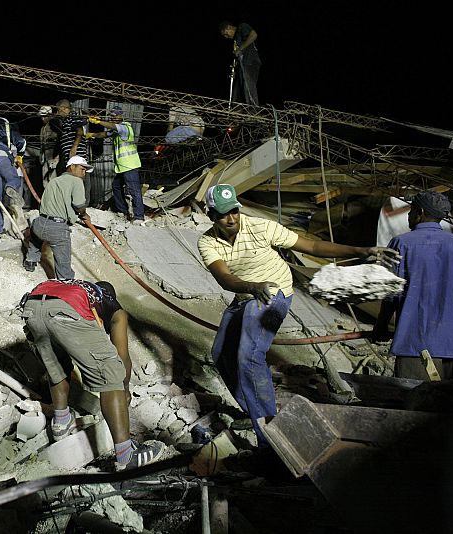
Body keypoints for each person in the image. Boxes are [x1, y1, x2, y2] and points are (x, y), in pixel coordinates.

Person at [198, 184, 399, 446]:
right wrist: (251, 286)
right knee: (221, 354)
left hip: (275, 293)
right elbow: (224, 277)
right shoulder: (207, 241)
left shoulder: (261, 227)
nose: (232, 218)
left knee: (249, 356)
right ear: (211, 214)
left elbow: (312, 245)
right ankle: (254, 410)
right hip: (246, 294)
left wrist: (360, 252)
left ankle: (271, 435)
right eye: (224, 214)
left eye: (234, 211)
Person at [20, 278, 164, 470]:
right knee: (112, 372)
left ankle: (61, 424)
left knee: (56, 367)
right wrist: (124, 388)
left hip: (32, 306)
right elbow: (121, 357)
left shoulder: (78, 287)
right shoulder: (114, 308)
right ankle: (126, 457)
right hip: (65, 310)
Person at [373, 191, 453, 382]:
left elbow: (390, 293)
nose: (409, 216)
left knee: (417, 405)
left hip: (417, 348)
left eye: (411, 211)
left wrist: (381, 326)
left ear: (421, 212)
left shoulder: (401, 243)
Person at [23, 156, 92, 278]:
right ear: (72, 167)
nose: (84, 172)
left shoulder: (54, 181)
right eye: (82, 169)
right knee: (63, 263)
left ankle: (30, 261)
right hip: (57, 229)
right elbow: (78, 205)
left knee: (35, 240)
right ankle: (65, 282)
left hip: (39, 224)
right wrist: (84, 215)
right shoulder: (76, 181)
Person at [87, 105, 145, 224]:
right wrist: (91, 134)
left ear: (120, 116)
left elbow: (112, 126)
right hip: (122, 167)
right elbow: (104, 134)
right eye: (111, 117)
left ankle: (139, 216)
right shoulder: (115, 130)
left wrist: (99, 121)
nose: (113, 119)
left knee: (134, 190)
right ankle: (123, 211)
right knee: (116, 186)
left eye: (115, 116)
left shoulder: (125, 128)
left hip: (130, 165)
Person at [219, 20, 261, 105]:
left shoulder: (242, 27)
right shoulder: (235, 40)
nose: (226, 37)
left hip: (250, 62)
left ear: (229, 27)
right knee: (237, 93)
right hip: (241, 67)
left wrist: (240, 48)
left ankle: (253, 112)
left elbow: (253, 35)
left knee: (248, 88)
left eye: (226, 34)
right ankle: (236, 113)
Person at [55, 99, 89, 179]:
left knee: (77, 180)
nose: (57, 113)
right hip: (71, 158)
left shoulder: (73, 117)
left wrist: (74, 148)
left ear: (63, 108)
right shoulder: (66, 120)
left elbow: (80, 131)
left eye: (58, 110)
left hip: (76, 156)